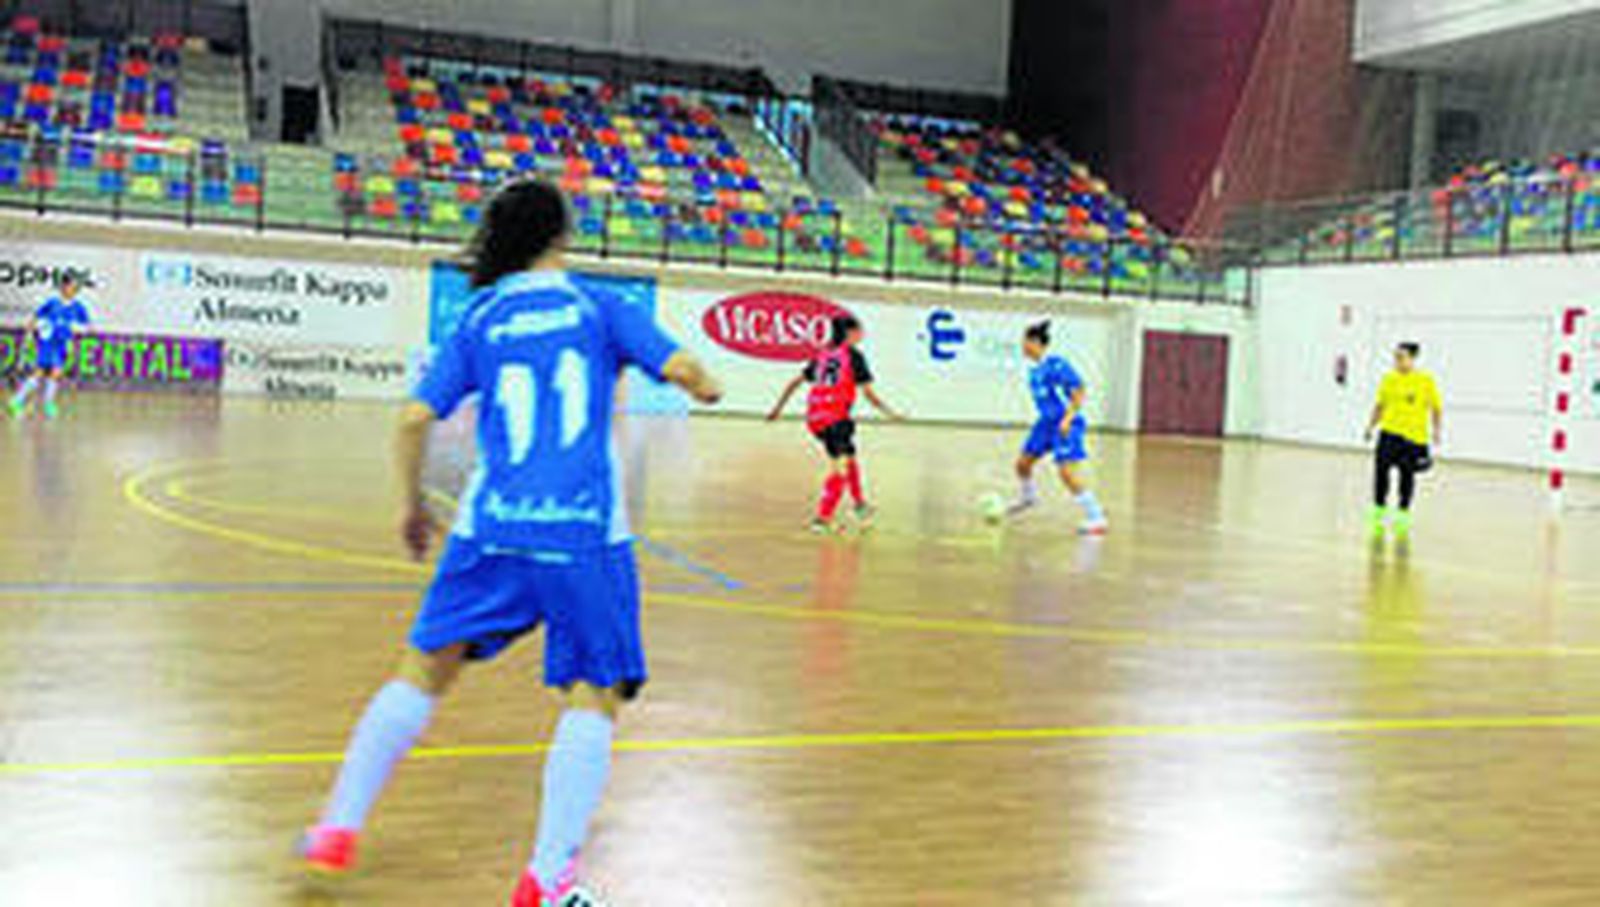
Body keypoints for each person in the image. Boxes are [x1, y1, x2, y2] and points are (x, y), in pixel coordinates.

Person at [298, 179, 723, 907]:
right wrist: (708, 381)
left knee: (420, 674)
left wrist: (411, 507)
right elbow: (689, 374)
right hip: (586, 533)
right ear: (562, 235)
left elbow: (411, 419)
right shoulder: (601, 305)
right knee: (593, 695)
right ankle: (548, 881)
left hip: (488, 527)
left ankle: (336, 828)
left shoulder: (480, 316)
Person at [766, 314, 903, 532]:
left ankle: (859, 505)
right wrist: (890, 413)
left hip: (815, 417)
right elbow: (868, 393)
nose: (862, 335)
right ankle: (822, 519)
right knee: (839, 467)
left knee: (849, 457)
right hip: (835, 418)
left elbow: (795, 382)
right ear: (850, 333)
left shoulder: (823, 355)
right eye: (859, 331)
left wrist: (777, 408)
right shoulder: (853, 356)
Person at [1007, 321, 1109, 535]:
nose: (1022, 346)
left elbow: (1079, 390)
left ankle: (1096, 517)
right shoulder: (1034, 371)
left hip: (1065, 422)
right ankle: (1028, 497)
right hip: (1045, 422)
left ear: (1035, 342)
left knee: (1066, 472)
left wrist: (1068, 419)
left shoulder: (1057, 365)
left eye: (1024, 341)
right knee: (1022, 464)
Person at [1364, 342, 1442, 534]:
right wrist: (1371, 426)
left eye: (1402, 357)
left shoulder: (1425, 381)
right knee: (1381, 472)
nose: (1397, 361)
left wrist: (1437, 431)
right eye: (1395, 356)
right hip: (1389, 434)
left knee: (1406, 477)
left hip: (1413, 438)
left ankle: (1402, 514)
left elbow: (1436, 408)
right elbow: (1380, 405)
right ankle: (1378, 512)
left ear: (1413, 358)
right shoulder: (1388, 379)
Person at [9, 274, 90, 419]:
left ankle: (48, 404)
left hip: (62, 344)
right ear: (63, 287)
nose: (72, 289)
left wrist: (76, 328)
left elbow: (86, 326)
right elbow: (37, 316)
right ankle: (17, 400)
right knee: (40, 371)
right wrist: (30, 330)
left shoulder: (79, 307)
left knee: (55, 373)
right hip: (48, 342)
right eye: (70, 286)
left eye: (75, 287)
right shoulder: (52, 303)